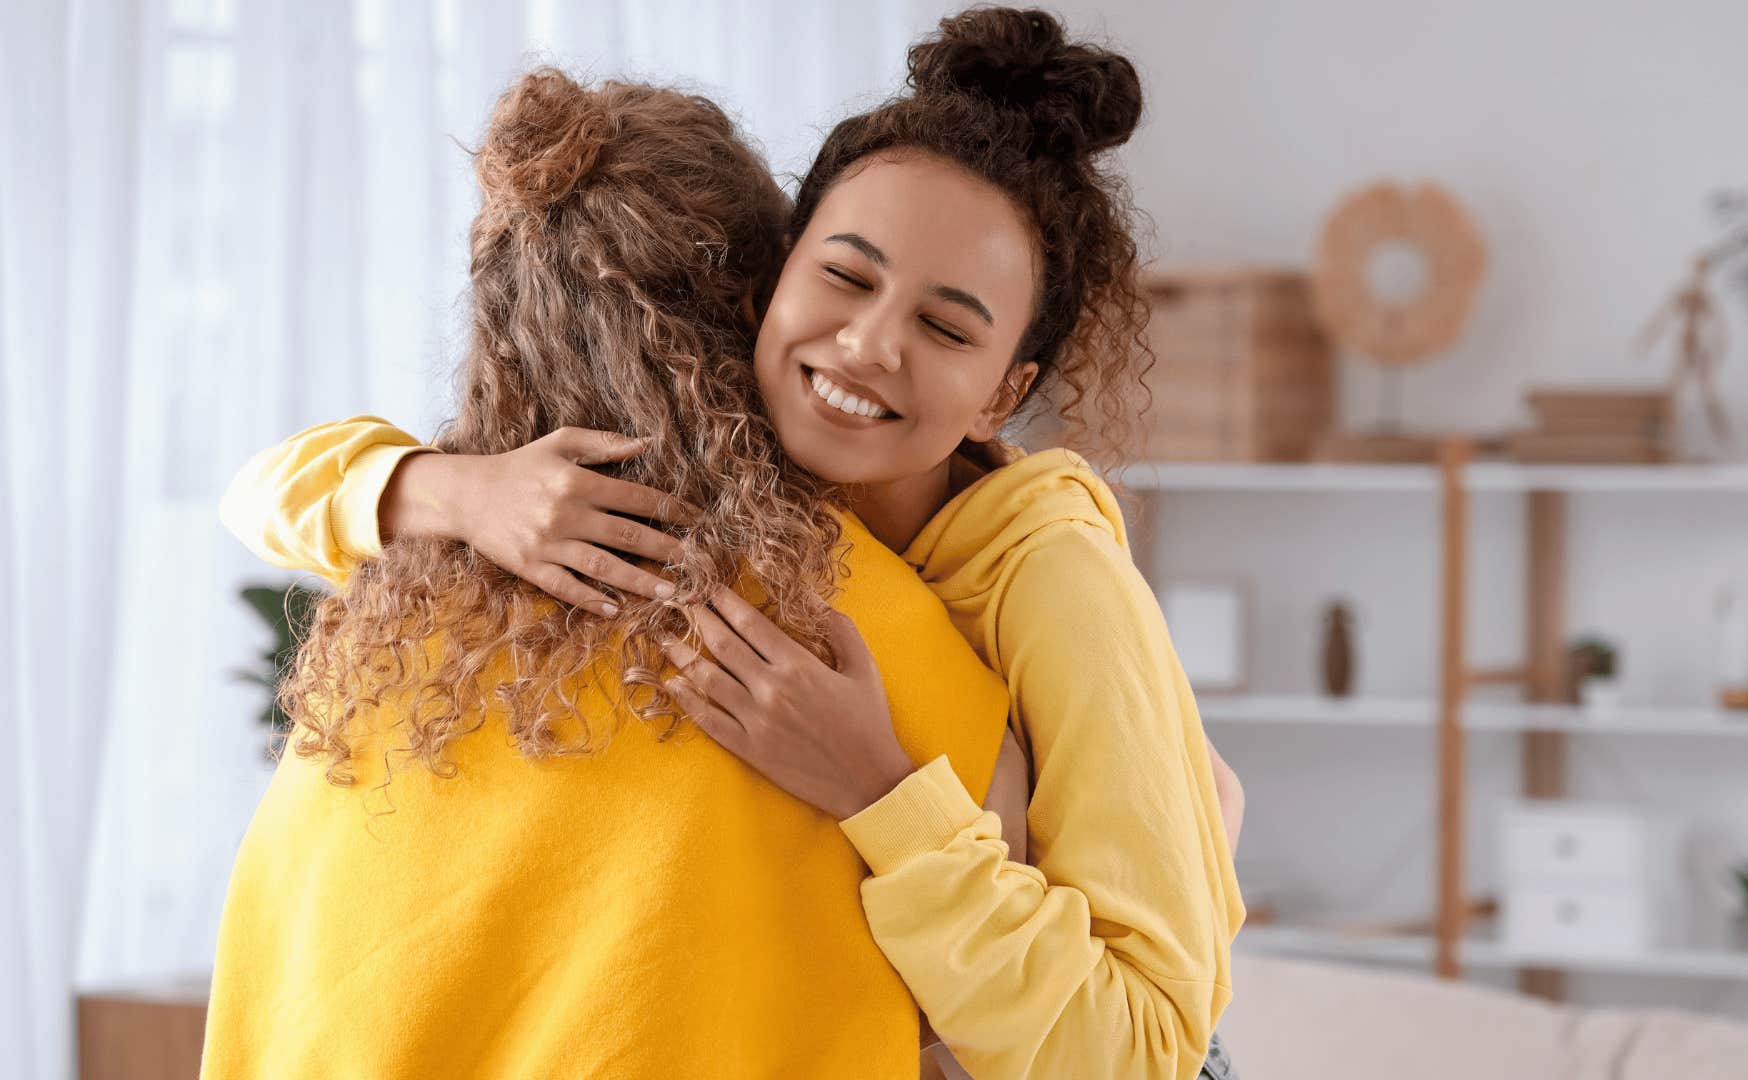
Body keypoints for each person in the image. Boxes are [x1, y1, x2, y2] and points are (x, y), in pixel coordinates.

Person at [225, 9, 1247, 1078]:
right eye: (846, 277)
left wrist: (876, 789)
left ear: (1005, 393)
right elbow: (261, 492)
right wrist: (452, 491)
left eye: (946, 328)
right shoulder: (740, 481)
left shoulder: (1053, 582)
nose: (866, 346)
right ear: (771, 277)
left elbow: (1147, 1053)